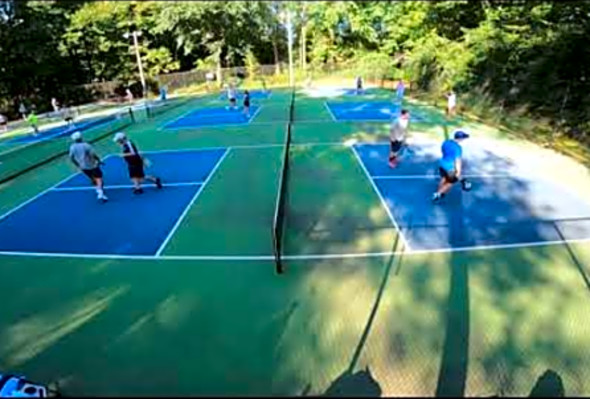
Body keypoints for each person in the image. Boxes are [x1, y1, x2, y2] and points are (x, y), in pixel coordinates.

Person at [69, 131, 108, 203]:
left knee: (92, 179)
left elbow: (71, 158)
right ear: (81, 137)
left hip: (83, 167)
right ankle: (100, 193)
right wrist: (98, 160)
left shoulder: (72, 147)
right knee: (99, 179)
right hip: (92, 165)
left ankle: (98, 190)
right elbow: (93, 154)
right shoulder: (86, 145)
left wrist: (78, 165)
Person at [432, 130, 470, 203]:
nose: (464, 139)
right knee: (450, 182)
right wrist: (458, 172)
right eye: (463, 138)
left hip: (442, 164)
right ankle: (437, 194)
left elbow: (443, 150)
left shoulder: (446, 142)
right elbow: (457, 161)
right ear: (460, 138)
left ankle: (439, 190)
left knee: (443, 178)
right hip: (450, 168)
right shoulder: (458, 148)